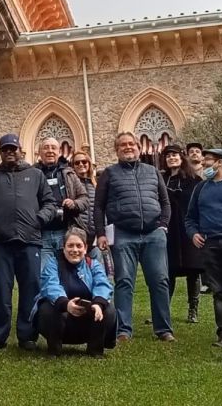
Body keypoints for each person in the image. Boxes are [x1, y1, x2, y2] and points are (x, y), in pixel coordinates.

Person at [0, 133, 58, 353]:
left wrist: (39, 219)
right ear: (1, 152)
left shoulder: (35, 175)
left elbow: (50, 202)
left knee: (31, 289)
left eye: (13, 149)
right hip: (2, 243)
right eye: (5, 149)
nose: (10, 152)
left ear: (20, 150)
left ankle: (27, 334)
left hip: (30, 241)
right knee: (2, 291)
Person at [95, 132, 174, 342]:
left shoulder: (152, 171)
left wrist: (163, 226)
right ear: (117, 150)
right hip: (123, 234)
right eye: (123, 145)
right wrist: (101, 233)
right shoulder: (109, 173)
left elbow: (165, 202)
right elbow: (99, 206)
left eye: (131, 144)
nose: (128, 147)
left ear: (138, 147)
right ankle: (123, 330)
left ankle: (164, 329)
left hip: (153, 234)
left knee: (159, 280)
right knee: (124, 282)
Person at [30, 227, 116, 358]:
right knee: (47, 307)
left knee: (108, 309)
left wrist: (98, 303)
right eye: (70, 246)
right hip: (60, 321)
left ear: (85, 248)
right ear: (63, 248)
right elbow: (50, 286)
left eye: (78, 246)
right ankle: (54, 349)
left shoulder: (94, 264)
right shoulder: (52, 264)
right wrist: (66, 304)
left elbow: (103, 284)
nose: (74, 250)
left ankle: (95, 350)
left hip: (87, 321)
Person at [185, 148, 222, 347]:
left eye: (208, 160)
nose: (204, 163)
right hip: (211, 245)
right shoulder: (200, 188)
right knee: (219, 290)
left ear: (220, 162)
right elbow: (190, 218)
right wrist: (193, 233)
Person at [159, 144, 204, 323]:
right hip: (169, 231)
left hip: (188, 230)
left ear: (181, 157)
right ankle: (164, 309)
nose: (171, 158)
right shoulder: (161, 180)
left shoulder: (194, 180)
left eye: (175, 155)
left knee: (192, 270)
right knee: (168, 270)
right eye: (168, 155)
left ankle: (193, 309)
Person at [35, 137, 89, 264]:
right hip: (41, 234)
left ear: (59, 152)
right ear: (39, 152)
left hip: (66, 232)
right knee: (45, 275)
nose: (50, 151)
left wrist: (74, 203)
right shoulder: (32, 174)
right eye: (46, 147)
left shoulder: (69, 173)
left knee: (67, 274)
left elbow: (84, 198)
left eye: (53, 148)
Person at [72, 150, 109, 270]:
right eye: (77, 163)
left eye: (84, 161)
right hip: (78, 236)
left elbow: (103, 209)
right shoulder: (71, 186)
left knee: (100, 272)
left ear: (89, 164)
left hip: (96, 238)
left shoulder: (96, 185)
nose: (81, 164)